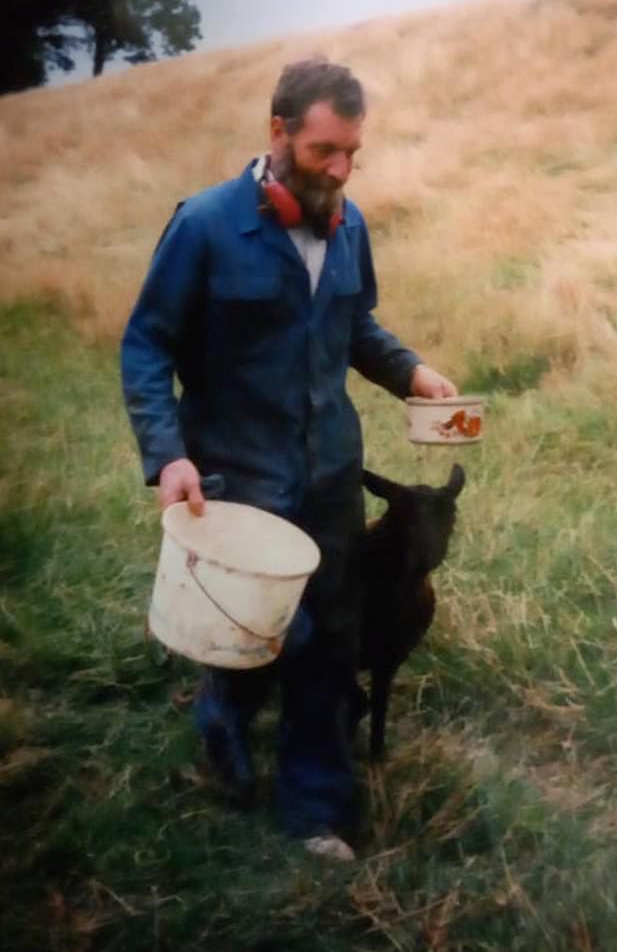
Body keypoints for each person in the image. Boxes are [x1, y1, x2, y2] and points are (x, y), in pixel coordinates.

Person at [121, 58, 457, 862]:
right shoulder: (203, 225)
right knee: (265, 632)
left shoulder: (351, 225)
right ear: (277, 133)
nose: (339, 170)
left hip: (331, 475)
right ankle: (222, 715)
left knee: (332, 636)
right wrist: (168, 456)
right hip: (239, 482)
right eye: (323, 152)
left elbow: (356, 328)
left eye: (352, 154)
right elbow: (146, 344)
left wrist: (410, 370)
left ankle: (314, 811)